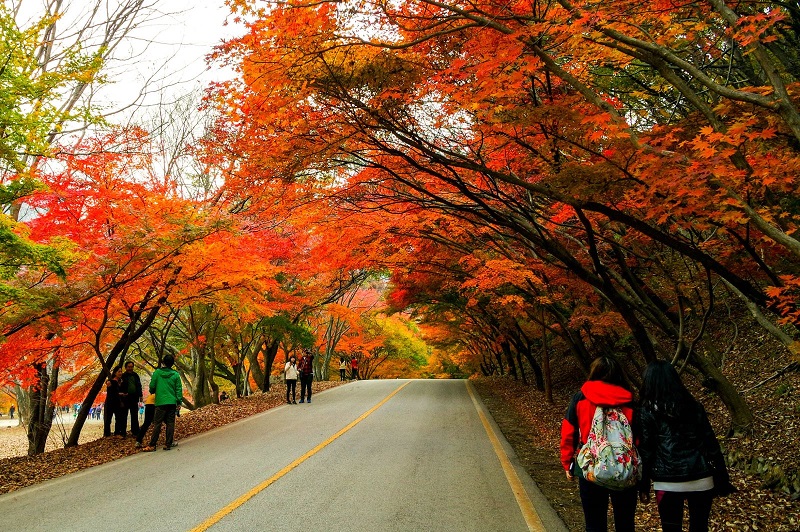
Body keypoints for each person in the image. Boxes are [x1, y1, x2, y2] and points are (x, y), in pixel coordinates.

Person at [638, 360, 735, 532]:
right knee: (699, 527)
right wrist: (722, 476)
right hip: (701, 477)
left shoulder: (647, 412)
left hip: (667, 481)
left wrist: (643, 485)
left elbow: (647, 451)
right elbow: (711, 444)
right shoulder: (694, 407)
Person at [560, 356, 638, 532]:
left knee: (594, 524)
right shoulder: (629, 401)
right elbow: (638, 437)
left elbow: (568, 432)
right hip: (624, 467)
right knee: (625, 524)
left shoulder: (581, 398)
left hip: (591, 466)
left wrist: (567, 462)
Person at [142, 354, 182, 452]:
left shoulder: (157, 373)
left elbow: (152, 386)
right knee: (170, 423)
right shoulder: (176, 375)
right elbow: (178, 389)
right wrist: (179, 401)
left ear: (163, 362)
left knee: (157, 423)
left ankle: (152, 445)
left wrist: (152, 391)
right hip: (171, 402)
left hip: (160, 402)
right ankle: (168, 444)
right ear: (172, 363)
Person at [119, 361, 143, 436]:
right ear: (126, 367)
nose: (130, 368)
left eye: (131, 367)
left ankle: (135, 431)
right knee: (124, 415)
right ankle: (123, 432)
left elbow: (139, 385)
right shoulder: (123, 376)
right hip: (125, 398)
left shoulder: (135, 375)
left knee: (134, 415)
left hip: (134, 397)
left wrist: (140, 395)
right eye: (129, 367)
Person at [103, 366, 125, 438]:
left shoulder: (121, 382)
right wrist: (120, 394)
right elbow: (111, 393)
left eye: (121, 371)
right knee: (108, 419)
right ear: (115, 373)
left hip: (118, 402)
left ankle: (117, 433)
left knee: (118, 418)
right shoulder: (111, 382)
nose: (120, 373)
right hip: (110, 402)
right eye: (119, 371)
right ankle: (107, 434)